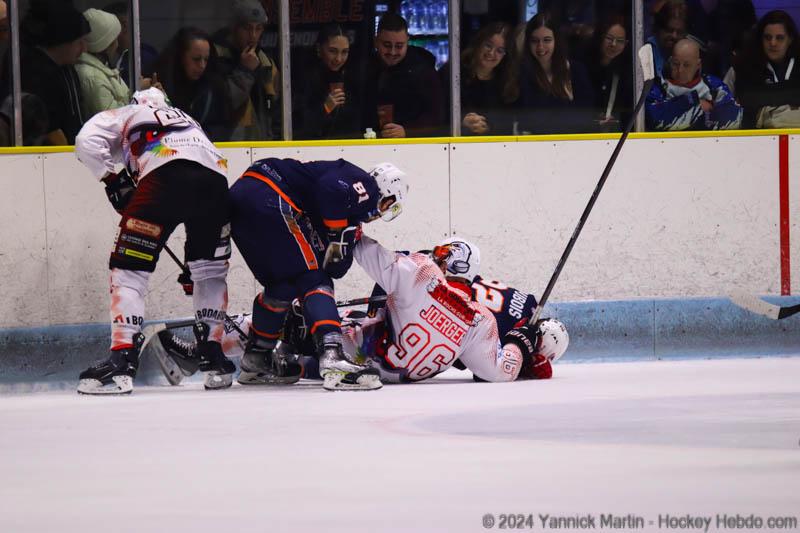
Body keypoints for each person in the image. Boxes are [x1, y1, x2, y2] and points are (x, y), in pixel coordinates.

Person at [157, 238, 567, 384]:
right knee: (315, 341)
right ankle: (289, 364)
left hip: (367, 350)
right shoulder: (479, 320)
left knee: (305, 324)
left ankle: (206, 348)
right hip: (391, 370)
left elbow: (368, 252)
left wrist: (331, 229)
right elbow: (494, 370)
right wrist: (520, 341)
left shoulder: (421, 274)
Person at [73, 87, 235, 395]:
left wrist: (114, 181)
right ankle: (213, 357)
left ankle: (122, 358)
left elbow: (86, 141)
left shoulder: (131, 113)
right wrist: (194, 259)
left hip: (162, 181)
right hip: (215, 185)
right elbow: (195, 174)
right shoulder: (190, 121)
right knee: (209, 271)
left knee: (129, 268)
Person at [227, 158, 409, 391]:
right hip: (269, 193)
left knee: (282, 285)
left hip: (243, 198)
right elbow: (331, 189)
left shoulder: (344, 210)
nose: (378, 215)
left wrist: (340, 238)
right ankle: (332, 355)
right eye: (387, 207)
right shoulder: (366, 186)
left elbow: (336, 267)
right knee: (314, 279)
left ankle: (257, 358)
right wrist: (337, 233)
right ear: (387, 191)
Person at [14, 0, 90, 144]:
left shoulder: (67, 69)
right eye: (80, 42)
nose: (84, 49)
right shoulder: (36, 72)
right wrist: (69, 154)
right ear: (62, 41)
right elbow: (50, 128)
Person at [363, 13, 445, 138]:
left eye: (399, 46)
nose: (392, 52)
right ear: (376, 41)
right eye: (387, 45)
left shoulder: (423, 70)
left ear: (407, 41)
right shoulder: (366, 68)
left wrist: (408, 131)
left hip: (413, 146)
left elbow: (437, 116)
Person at [211, 0, 280, 140]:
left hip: (264, 147)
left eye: (258, 28)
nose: (253, 36)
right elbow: (220, 108)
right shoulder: (213, 58)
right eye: (247, 28)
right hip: (228, 147)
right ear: (234, 28)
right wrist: (245, 71)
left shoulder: (267, 64)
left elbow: (277, 113)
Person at [516, 13, 594, 134]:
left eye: (547, 40)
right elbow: (526, 120)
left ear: (556, 41)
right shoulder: (522, 74)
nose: (540, 47)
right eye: (535, 41)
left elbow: (586, 115)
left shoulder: (576, 70)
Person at [153, 27, 233, 141]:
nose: (202, 66)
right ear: (181, 57)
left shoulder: (215, 87)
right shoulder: (160, 83)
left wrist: (200, 137)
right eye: (196, 59)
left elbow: (222, 127)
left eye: (206, 59)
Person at [646, 38, 742, 131]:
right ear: (670, 61)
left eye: (687, 65)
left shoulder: (714, 85)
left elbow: (733, 119)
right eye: (676, 63)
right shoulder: (658, 88)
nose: (680, 70)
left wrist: (679, 112)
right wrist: (695, 103)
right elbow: (655, 119)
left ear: (698, 65)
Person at [445, 22, 517, 135]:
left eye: (500, 50)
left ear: (505, 55)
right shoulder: (453, 72)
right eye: (488, 45)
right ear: (479, 43)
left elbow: (508, 124)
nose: (491, 53)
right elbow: (437, 114)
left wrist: (488, 128)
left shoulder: (507, 82)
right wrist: (459, 121)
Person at [734, 10, 800, 129]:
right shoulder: (745, 65)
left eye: (779, 38)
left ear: (790, 40)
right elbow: (746, 98)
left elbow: (754, 97)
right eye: (767, 37)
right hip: (756, 137)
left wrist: (763, 99)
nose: (773, 43)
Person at [295, 23, 361, 140]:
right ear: (319, 49)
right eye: (333, 51)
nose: (338, 59)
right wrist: (325, 108)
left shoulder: (352, 78)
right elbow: (299, 126)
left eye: (344, 52)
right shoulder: (305, 79)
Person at [75, 8, 129, 118]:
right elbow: (113, 121)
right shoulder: (93, 77)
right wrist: (138, 95)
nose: (117, 45)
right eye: (114, 40)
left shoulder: (102, 68)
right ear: (105, 45)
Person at [586, 16, 633, 131]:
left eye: (620, 41)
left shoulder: (628, 72)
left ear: (626, 43)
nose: (613, 44)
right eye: (609, 38)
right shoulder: (584, 66)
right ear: (601, 37)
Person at [646, 0, 689, 78]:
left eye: (679, 32)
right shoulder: (645, 50)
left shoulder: (690, 52)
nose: (674, 36)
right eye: (669, 30)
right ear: (658, 29)